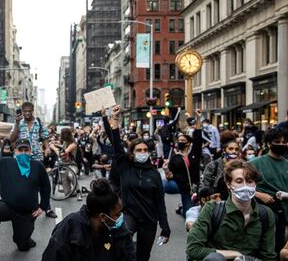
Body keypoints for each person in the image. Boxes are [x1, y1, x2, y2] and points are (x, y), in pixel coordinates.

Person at [105, 105, 170, 261]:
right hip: (129, 215)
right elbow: (116, 146)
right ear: (132, 153)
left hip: (149, 220)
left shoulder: (154, 174)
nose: (142, 153)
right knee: (120, 241)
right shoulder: (125, 167)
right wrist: (114, 119)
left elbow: (160, 201)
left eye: (144, 150)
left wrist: (165, 228)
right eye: (138, 150)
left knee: (143, 255)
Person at [186, 161, 276, 261]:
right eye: (239, 181)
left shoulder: (265, 214)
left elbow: (268, 256)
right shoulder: (212, 209)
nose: (245, 186)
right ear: (229, 184)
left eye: (250, 181)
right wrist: (235, 254)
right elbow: (193, 249)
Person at [0, 134, 51, 260]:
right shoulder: (5, 162)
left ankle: (25, 238)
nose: (23, 152)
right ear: (15, 151)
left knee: (23, 246)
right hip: (7, 206)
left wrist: (43, 207)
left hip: (26, 212)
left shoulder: (38, 166)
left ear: (30, 151)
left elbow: (46, 187)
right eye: (20, 150)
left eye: (26, 150)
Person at [41, 178, 136, 261]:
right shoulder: (69, 227)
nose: (120, 217)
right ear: (102, 217)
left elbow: (129, 255)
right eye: (116, 214)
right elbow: (52, 256)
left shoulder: (120, 231)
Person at [250, 127, 288, 256]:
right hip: (264, 211)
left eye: (284, 142)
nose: (282, 145)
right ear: (268, 143)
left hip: (284, 211)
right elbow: (240, 186)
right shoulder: (255, 163)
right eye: (277, 142)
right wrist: (259, 194)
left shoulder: (287, 164)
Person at [168, 111, 204, 217]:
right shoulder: (175, 157)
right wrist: (169, 175)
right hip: (182, 186)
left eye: (183, 140)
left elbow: (197, 136)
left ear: (188, 143)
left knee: (192, 212)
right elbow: (171, 171)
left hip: (193, 187)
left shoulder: (194, 154)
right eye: (179, 140)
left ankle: (182, 208)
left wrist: (198, 118)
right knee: (189, 213)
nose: (180, 142)